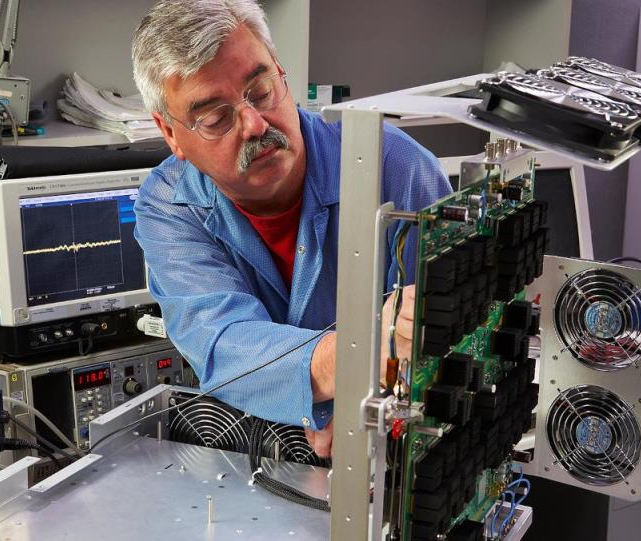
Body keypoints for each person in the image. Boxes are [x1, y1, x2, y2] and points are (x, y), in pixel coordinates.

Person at [131, 0, 451, 457]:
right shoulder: (169, 204)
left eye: (260, 90)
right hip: (255, 466)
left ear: (281, 72)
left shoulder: (396, 168)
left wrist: (374, 388)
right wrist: (356, 360)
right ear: (170, 134)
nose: (254, 124)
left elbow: (452, 338)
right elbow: (222, 346)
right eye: (216, 118)